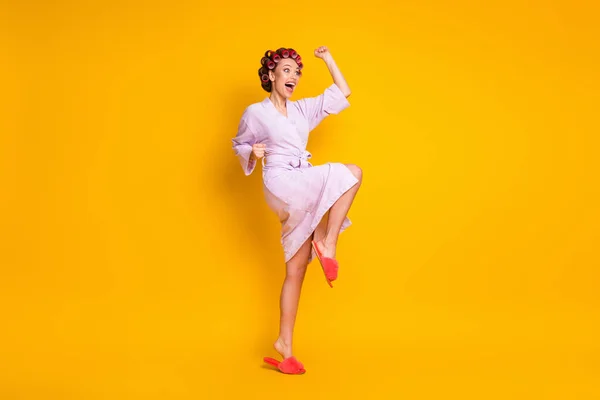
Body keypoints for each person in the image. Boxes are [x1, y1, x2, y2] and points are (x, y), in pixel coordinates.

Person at [231, 46, 363, 374]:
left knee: (297, 270)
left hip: (301, 178)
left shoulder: (303, 109)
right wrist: (253, 150)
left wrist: (329, 58)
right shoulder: (255, 112)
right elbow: (239, 144)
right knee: (350, 172)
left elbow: (343, 91)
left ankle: (284, 346)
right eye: (287, 70)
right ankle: (327, 242)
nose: (293, 77)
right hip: (278, 180)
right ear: (271, 75)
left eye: (297, 72)